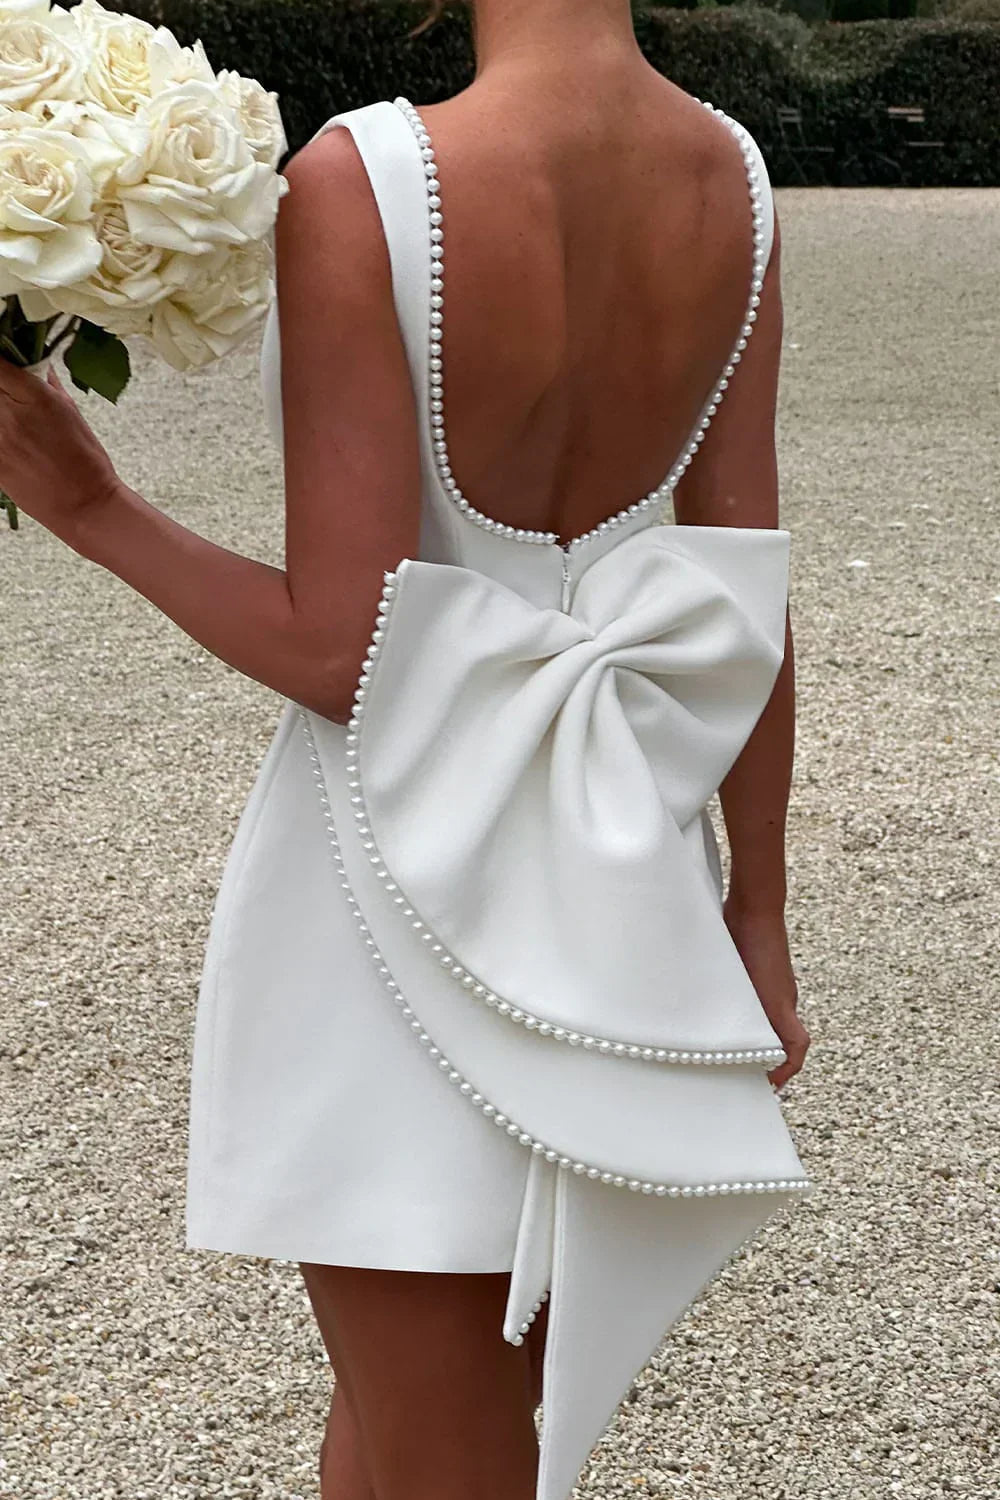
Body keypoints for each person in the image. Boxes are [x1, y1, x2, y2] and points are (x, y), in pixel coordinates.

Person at [0, 1, 813, 1496]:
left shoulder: (365, 179)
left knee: (442, 1448)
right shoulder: (736, 182)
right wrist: (755, 917)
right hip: (627, 873)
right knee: (398, 1422)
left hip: (396, 874)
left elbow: (340, 649)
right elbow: (738, 607)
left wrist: (93, 508)